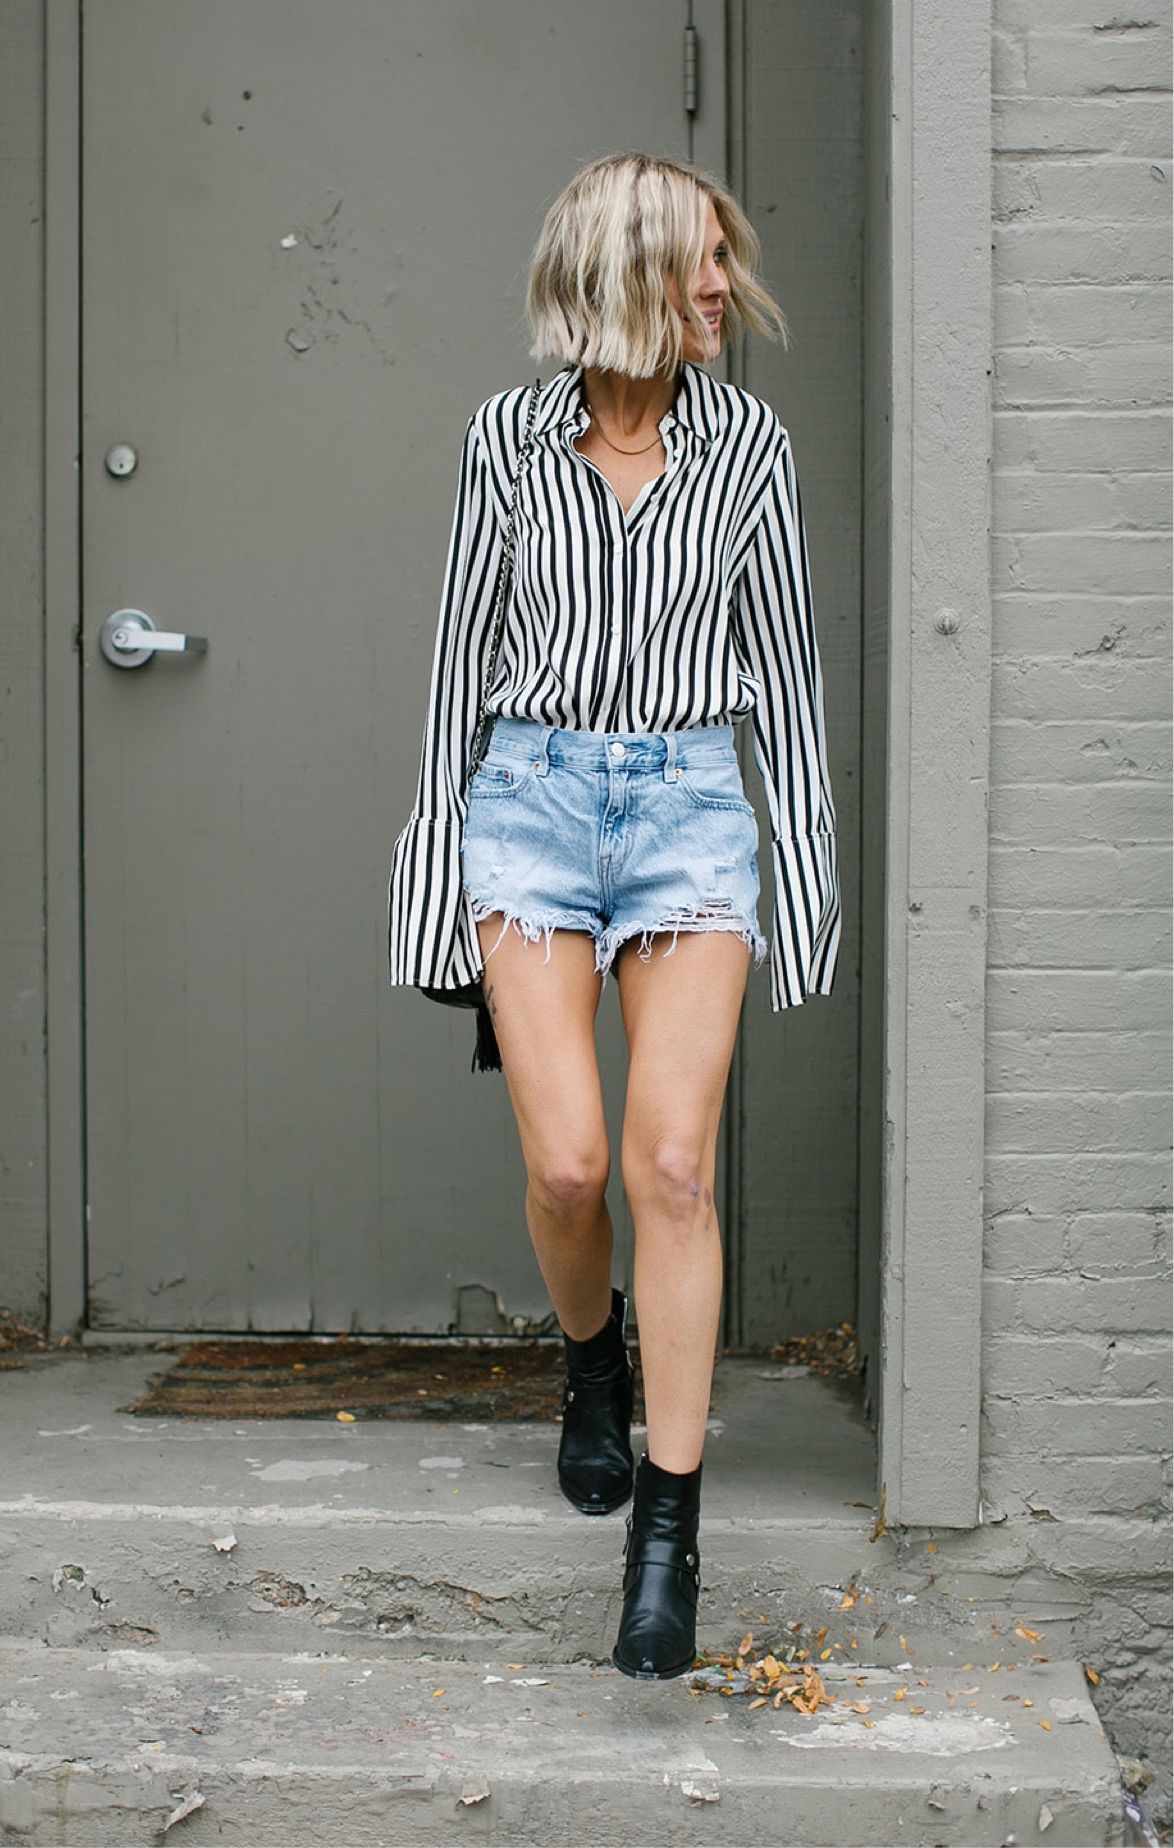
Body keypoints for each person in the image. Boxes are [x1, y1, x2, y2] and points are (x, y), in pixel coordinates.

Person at [389, 153, 839, 1680]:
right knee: (571, 1167)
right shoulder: (504, 442)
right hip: (525, 805)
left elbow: (783, 677)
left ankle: (669, 1520)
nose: (723, 287)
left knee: (670, 1167)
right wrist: (426, 879)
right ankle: (591, 1363)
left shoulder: (750, 449)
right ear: (621, 271)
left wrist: (812, 875)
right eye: (697, 261)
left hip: (690, 814)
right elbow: (457, 670)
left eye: (726, 259)